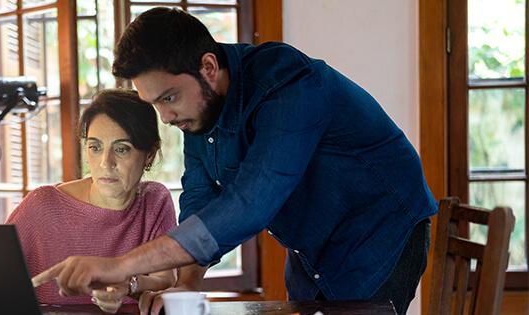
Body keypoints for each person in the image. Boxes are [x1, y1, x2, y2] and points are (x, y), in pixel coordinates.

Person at [32, 7, 437, 315]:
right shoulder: (199, 111)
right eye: (154, 104)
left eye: (169, 98)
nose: (165, 117)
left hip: (379, 231)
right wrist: (189, 280)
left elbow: (250, 205)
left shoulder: (291, 87)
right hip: (311, 246)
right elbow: (201, 195)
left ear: (208, 67)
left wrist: (121, 266)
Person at [6, 89, 177, 313]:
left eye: (121, 149)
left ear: (150, 155)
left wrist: (129, 285)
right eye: (95, 148)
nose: (106, 163)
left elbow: (166, 278)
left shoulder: (155, 200)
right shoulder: (42, 205)